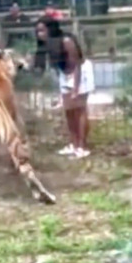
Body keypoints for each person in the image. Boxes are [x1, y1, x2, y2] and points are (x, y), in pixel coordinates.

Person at [34, 16, 94, 159]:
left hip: (80, 72)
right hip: (65, 73)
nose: (39, 34)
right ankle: (73, 144)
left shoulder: (66, 41)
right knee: (69, 111)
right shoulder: (47, 45)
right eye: (37, 31)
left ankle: (82, 147)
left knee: (79, 110)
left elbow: (77, 64)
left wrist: (75, 88)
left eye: (42, 30)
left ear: (51, 29)